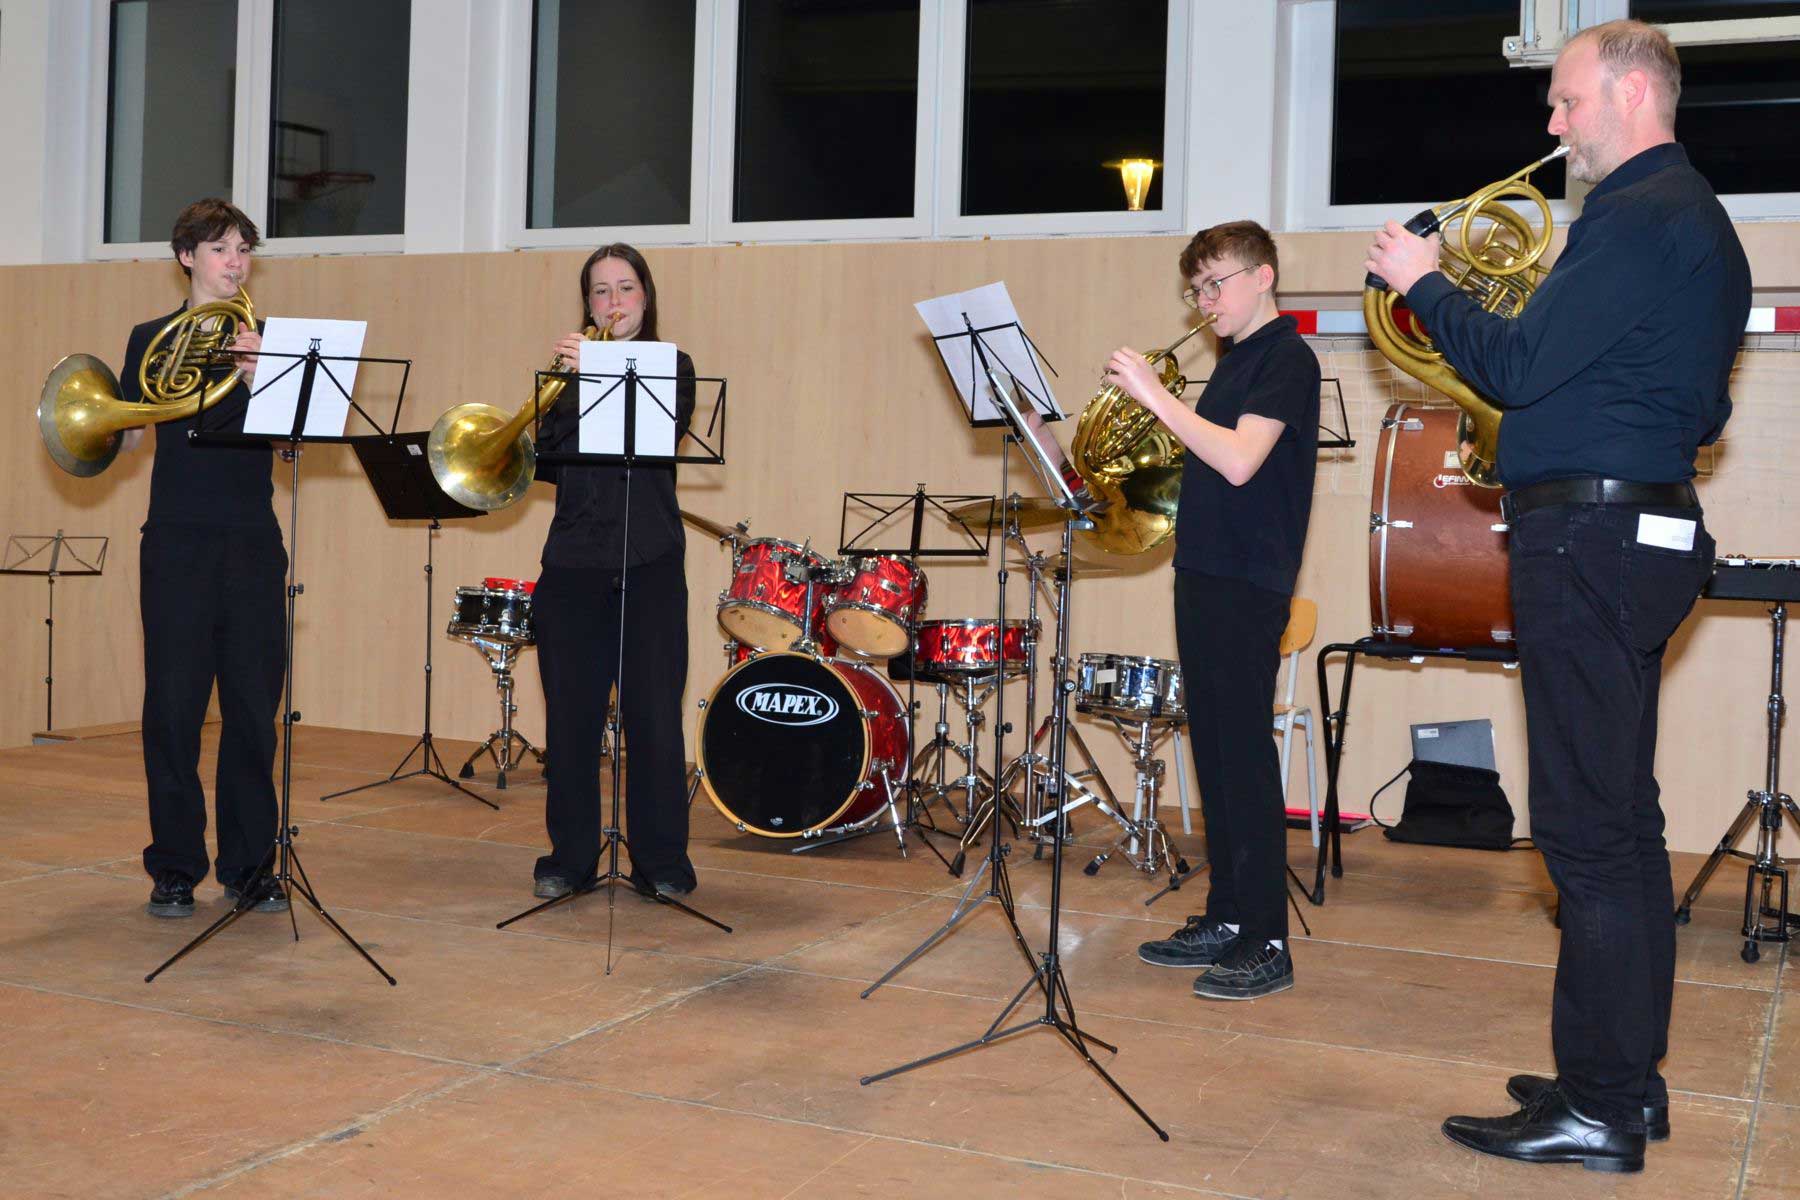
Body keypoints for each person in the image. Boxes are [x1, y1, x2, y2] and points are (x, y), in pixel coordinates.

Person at [1365, 19, 1749, 1174]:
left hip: (1590, 538)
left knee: (1586, 832)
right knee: (1622, 825)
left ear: (1630, 95)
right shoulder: (1693, 223)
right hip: (1632, 532)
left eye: (1567, 100)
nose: (1554, 122)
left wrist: (1425, 284)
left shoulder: (1642, 215)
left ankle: (1599, 1107)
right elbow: (1704, 412)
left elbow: (1518, 367)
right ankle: (1623, 1079)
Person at [1096, 221, 1322, 1002]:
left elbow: (1238, 459)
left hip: (1248, 578)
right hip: (1203, 569)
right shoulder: (1231, 363)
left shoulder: (1287, 358)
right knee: (1217, 754)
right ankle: (1228, 915)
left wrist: (1155, 396)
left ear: (1263, 277)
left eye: (1216, 283)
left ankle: (1267, 939)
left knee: (1245, 758)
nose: (1206, 301)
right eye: (1196, 289)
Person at [131, 198, 288, 919]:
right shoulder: (150, 339)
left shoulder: (270, 342)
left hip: (251, 539)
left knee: (253, 711)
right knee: (173, 710)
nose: (235, 262)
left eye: (243, 250)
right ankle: (174, 868)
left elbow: (292, 443)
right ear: (187, 256)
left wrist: (259, 375)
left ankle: (250, 867)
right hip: (176, 541)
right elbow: (129, 435)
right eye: (221, 248)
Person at [530, 244, 699, 900]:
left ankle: (662, 862)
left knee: (653, 717)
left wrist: (596, 372)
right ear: (587, 303)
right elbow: (546, 461)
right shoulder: (561, 378)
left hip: (650, 560)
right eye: (600, 291)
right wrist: (571, 385)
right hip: (572, 562)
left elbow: (658, 434)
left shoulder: (672, 367)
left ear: (646, 297)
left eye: (626, 288)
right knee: (570, 720)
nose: (613, 302)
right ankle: (569, 859)